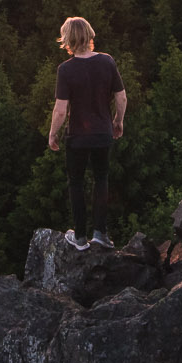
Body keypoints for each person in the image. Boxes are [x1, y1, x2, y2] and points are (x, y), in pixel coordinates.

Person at [47, 15, 127, 250]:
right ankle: (100, 233)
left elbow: (60, 110)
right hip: (103, 133)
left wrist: (52, 134)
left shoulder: (65, 70)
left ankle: (80, 238)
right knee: (101, 179)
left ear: (68, 39)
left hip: (78, 137)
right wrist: (118, 121)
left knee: (76, 183)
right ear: (89, 35)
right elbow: (121, 97)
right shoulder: (107, 61)